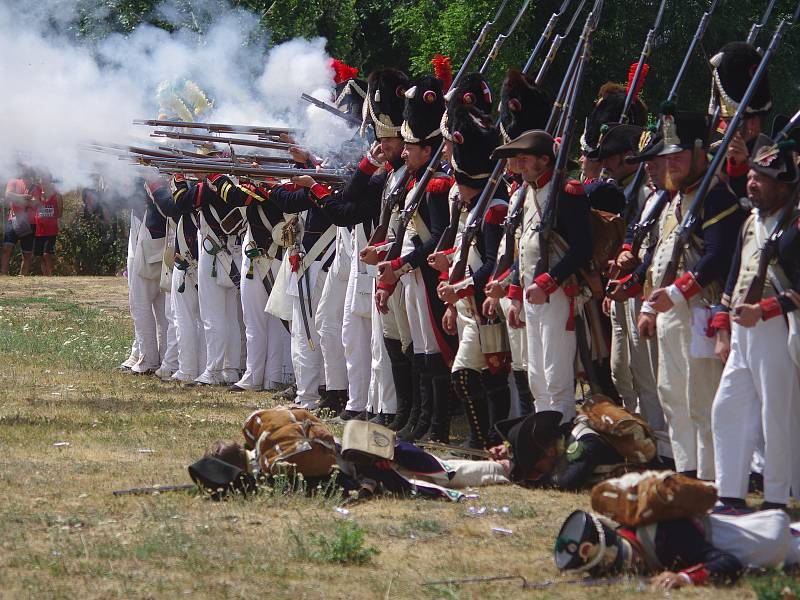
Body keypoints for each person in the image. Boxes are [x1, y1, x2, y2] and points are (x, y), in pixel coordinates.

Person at [633, 107, 745, 481]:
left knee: (702, 397)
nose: (671, 162)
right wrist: (650, 307)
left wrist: (676, 295)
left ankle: (712, 477)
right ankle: (686, 471)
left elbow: (717, 256)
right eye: (668, 156)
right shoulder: (676, 198)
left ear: (700, 152)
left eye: (679, 154)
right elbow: (662, 257)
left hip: (699, 311)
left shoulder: (715, 198)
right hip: (671, 314)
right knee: (671, 393)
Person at [308, 68, 413, 424]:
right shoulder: (385, 172)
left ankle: (385, 409)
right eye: (380, 140)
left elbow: (345, 208)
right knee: (356, 336)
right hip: (365, 260)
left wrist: (366, 166)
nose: (384, 147)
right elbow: (351, 195)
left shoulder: (395, 177)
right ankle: (361, 403)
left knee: (381, 343)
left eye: (391, 141)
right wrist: (367, 164)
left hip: (386, 263)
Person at [711, 132, 800, 512]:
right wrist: (724, 326)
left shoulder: (795, 228)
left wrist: (764, 310)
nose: (751, 182)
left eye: (761, 177)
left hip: (778, 330)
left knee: (777, 416)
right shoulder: (751, 221)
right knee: (726, 408)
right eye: (751, 175)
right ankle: (729, 493)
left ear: (783, 185)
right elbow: (735, 277)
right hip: (744, 331)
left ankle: (777, 498)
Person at [492, 129, 593, 425]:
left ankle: (561, 430)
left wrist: (548, 282)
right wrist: (515, 294)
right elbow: (522, 247)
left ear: (544, 160)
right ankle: (544, 436)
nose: (519, 165)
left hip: (558, 293)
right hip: (530, 294)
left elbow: (582, 248)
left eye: (524, 159)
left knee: (556, 374)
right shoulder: (527, 192)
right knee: (536, 374)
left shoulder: (567, 192)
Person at [375, 73, 456, 443]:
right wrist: (388, 271)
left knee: (432, 350)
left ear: (429, 148)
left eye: (410, 145)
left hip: (423, 276)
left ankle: (435, 424)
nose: (403, 151)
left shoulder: (437, 184)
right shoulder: (412, 182)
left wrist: (401, 266)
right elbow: (402, 234)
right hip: (409, 275)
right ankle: (419, 418)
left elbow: (436, 237)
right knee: (418, 351)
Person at [428, 99, 510, 449]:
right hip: (467, 306)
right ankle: (488, 438)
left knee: (471, 376)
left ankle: (486, 438)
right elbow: (464, 254)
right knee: (484, 377)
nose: (455, 185)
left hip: (482, 305)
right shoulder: (471, 208)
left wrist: (459, 288)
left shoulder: (493, 211)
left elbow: (492, 264)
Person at [482, 70, 552, 418]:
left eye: (521, 157)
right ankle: (528, 433)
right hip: (519, 292)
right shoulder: (518, 193)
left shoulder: (558, 193)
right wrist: (504, 283)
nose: (515, 164)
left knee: (550, 376)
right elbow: (513, 249)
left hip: (550, 295)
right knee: (526, 369)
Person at [555, 508, 800, 589]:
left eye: (627, 560)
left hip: (763, 541)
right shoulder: (632, 528)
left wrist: (683, 577)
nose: (634, 566)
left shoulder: (667, 535)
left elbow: (728, 563)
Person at [708, 42, 772, 201]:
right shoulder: (714, 153)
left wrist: (740, 168)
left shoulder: (774, 162)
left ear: (753, 123)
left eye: (730, 120)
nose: (724, 126)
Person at [2, 167, 37, 275]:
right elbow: (8, 196)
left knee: (26, 254)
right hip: (13, 220)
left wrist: (17, 199)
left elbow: (35, 204)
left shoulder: (36, 187)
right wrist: (23, 197)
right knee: (6, 248)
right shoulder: (13, 181)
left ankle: (23, 277)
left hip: (30, 223)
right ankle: (3, 275)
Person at [30, 172, 62, 276]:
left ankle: (50, 275)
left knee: (47, 254)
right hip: (39, 230)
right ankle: (45, 275)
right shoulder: (37, 196)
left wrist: (50, 216)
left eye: (45, 180)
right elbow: (32, 207)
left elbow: (60, 213)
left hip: (51, 230)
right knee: (40, 255)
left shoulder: (57, 196)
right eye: (41, 180)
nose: (43, 182)